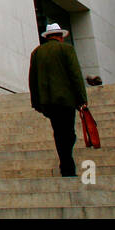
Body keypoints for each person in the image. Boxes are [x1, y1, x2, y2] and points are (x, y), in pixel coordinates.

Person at [28, 23, 89, 177]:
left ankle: (65, 164)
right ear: (60, 37)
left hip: (47, 102)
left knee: (59, 132)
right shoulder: (66, 49)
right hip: (65, 100)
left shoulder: (37, 52)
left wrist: (36, 102)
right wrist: (82, 98)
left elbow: (32, 79)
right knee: (68, 133)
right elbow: (75, 74)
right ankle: (67, 165)